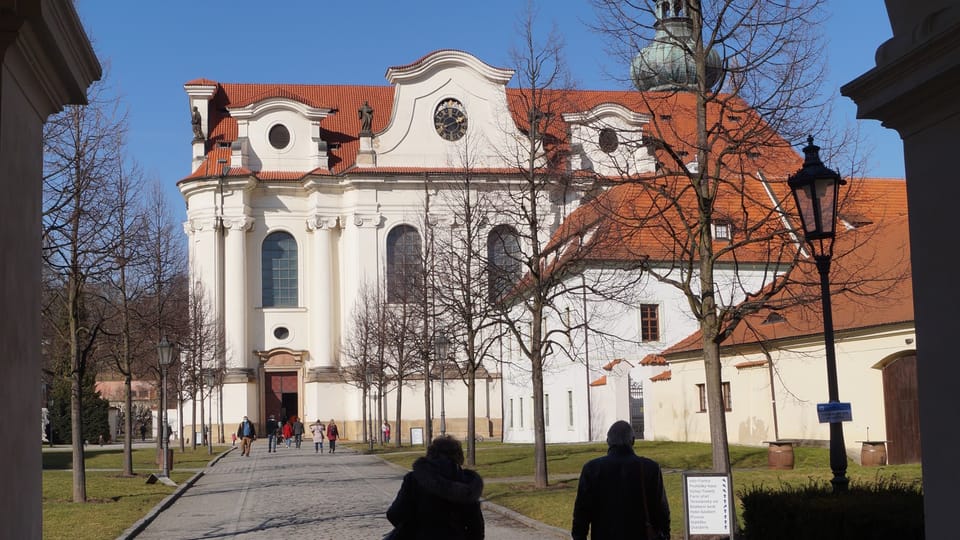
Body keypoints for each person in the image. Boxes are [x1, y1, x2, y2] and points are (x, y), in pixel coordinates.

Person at [571, 420, 670, 540]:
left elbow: (582, 512)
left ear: (608, 442)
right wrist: (665, 534)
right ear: (633, 440)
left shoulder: (592, 469)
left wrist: (579, 536)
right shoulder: (650, 468)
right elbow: (661, 510)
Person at [386, 435, 484, 540]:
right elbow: (476, 526)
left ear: (430, 453)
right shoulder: (467, 482)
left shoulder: (414, 479)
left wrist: (411, 527)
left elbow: (394, 514)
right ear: (459, 456)